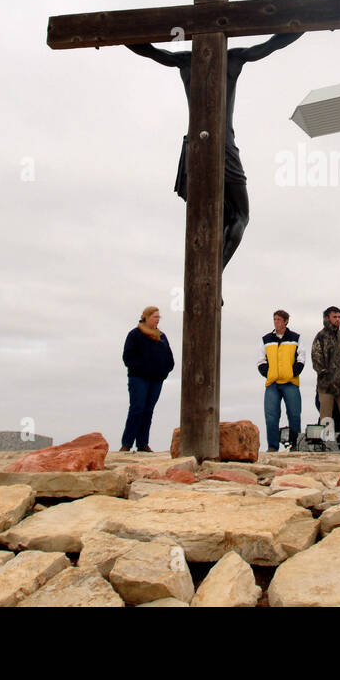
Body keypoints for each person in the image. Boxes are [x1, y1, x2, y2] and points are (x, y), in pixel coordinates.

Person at [126, 32, 304, 270]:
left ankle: (206, 272)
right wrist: (312, 21)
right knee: (240, 215)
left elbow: (149, 50)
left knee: (207, 217)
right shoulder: (234, 57)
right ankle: (213, 272)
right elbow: (274, 43)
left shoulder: (185, 60)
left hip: (194, 146)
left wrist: (116, 34)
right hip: (223, 143)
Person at [121, 306, 174, 452]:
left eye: (159, 317)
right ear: (146, 317)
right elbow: (128, 357)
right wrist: (141, 369)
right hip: (139, 378)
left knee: (148, 410)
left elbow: (169, 359)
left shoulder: (162, 336)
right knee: (137, 408)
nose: (157, 319)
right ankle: (127, 443)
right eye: (154, 317)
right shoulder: (135, 334)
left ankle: (143, 443)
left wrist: (164, 372)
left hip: (156, 380)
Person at [258, 309, 305, 451]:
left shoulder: (296, 338)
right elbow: (261, 361)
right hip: (272, 383)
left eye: (279, 319)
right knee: (271, 416)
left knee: (294, 414)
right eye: (274, 319)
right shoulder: (266, 339)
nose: (276, 322)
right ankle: (272, 447)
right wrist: (270, 373)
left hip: (290, 382)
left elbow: (301, 358)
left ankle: (295, 446)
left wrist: (291, 373)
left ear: (286, 321)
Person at [311, 305, 340, 443]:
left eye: (338, 316)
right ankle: (326, 444)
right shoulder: (320, 337)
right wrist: (326, 375)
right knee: (326, 417)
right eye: (334, 316)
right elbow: (316, 359)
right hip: (326, 386)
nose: (337, 319)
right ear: (327, 318)